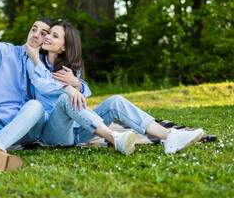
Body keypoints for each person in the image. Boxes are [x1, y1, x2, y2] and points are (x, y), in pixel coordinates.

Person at [25, 20, 204, 155]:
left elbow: (80, 104)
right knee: (65, 98)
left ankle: (169, 137)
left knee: (115, 101)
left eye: (54, 36)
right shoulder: (33, 62)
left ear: (64, 46)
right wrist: (67, 87)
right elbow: (43, 85)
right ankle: (114, 137)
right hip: (53, 134)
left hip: (79, 132)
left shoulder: (71, 67)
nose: (47, 37)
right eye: (49, 33)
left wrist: (78, 85)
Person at [0, 6, 90, 171]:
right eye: (34, 29)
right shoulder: (6, 52)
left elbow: (61, 87)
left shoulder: (48, 65)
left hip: (30, 129)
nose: (35, 35)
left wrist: (77, 84)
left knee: (35, 105)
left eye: (43, 33)